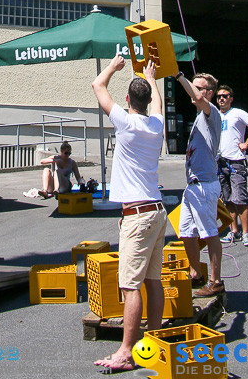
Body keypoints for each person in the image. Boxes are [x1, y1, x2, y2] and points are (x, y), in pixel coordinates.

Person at [91, 56, 166, 373]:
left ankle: (126, 351)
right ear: (147, 99)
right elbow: (158, 104)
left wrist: (113, 65)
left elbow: (97, 84)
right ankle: (154, 340)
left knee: (131, 286)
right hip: (158, 210)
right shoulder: (156, 125)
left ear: (127, 100)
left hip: (137, 216)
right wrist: (150, 77)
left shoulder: (125, 122)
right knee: (153, 281)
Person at [176, 70, 224, 297]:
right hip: (193, 186)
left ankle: (216, 281)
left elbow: (198, 99)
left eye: (199, 87)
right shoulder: (198, 117)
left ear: (209, 93)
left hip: (204, 185)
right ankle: (197, 274)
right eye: (193, 86)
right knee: (186, 231)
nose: (194, 90)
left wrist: (179, 76)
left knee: (209, 233)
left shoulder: (211, 112)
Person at [216, 84, 248, 247]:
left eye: (225, 96)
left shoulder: (237, 113)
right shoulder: (215, 115)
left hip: (236, 162)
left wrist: (247, 143)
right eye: (219, 96)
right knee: (227, 199)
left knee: (240, 199)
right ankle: (233, 231)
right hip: (220, 163)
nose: (221, 98)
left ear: (231, 98)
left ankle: (246, 233)